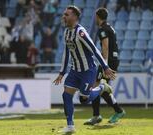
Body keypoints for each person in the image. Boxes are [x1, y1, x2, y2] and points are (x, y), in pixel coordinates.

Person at [53, 5, 116, 133]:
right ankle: (70, 126)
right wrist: (61, 72)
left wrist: (105, 67)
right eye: (64, 14)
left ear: (75, 17)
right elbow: (66, 53)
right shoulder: (66, 32)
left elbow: (94, 49)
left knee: (84, 99)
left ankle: (102, 87)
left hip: (88, 70)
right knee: (66, 95)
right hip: (75, 70)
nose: (64, 16)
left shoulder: (80, 32)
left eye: (67, 14)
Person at [84, 8, 125, 125]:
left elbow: (105, 47)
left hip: (109, 62)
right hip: (113, 60)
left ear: (97, 16)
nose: (94, 18)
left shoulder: (102, 29)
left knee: (99, 87)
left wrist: (104, 65)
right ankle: (97, 115)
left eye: (95, 16)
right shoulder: (109, 27)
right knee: (98, 87)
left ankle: (117, 111)